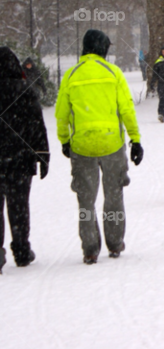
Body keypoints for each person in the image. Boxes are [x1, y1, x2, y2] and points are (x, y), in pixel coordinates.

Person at [56, 29, 142, 264]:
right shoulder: (113, 73)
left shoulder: (71, 75)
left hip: (82, 145)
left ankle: (90, 248)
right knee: (113, 196)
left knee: (86, 200)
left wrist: (65, 140)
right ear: (103, 48)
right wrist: (135, 140)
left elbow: (61, 114)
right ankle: (114, 244)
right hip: (112, 143)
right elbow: (126, 109)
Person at [0, 48, 49, 272]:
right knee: (18, 205)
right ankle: (21, 249)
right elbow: (37, 125)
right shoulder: (25, 91)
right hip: (20, 158)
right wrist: (42, 154)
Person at [152, 46, 164, 123]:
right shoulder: (158, 61)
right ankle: (161, 114)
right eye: (163, 52)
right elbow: (155, 73)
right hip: (161, 83)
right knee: (162, 98)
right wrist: (153, 82)